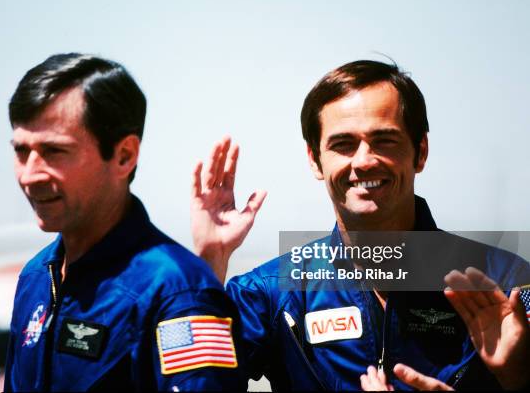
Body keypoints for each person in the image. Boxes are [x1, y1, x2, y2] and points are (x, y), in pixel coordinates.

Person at [190, 60, 530, 390]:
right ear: (315, 160)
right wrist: (209, 263)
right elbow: (195, 384)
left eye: (384, 141)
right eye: (343, 144)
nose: (364, 161)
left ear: (420, 151)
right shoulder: (271, 293)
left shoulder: (506, 285)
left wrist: (519, 373)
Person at [4, 53, 244, 391]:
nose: (30, 175)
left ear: (124, 156)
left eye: (54, 152)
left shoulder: (179, 292)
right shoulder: (35, 276)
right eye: (21, 151)